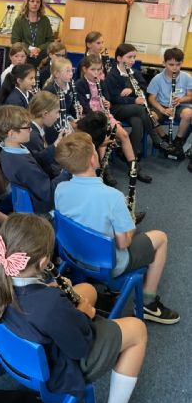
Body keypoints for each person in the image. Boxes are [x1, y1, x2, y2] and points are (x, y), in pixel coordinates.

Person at [0, 213, 147, 403]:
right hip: (56, 370)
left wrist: (44, 290)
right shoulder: (50, 306)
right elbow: (79, 349)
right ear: (43, 263)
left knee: (88, 290)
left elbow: (26, 299)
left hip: (14, 347)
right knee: (137, 329)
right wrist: (85, 314)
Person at [54, 132, 180, 325]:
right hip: (107, 265)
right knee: (160, 237)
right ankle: (148, 303)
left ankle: (114, 290)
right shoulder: (112, 197)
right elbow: (123, 243)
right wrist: (129, 223)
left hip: (73, 254)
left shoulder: (60, 189)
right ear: (92, 159)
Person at [76, 54, 150, 184]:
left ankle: (133, 167)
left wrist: (107, 104)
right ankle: (105, 170)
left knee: (124, 135)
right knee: (104, 139)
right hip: (90, 119)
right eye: (93, 70)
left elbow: (108, 100)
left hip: (105, 116)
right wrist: (99, 117)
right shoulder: (80, 84)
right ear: (84, 69)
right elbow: (84, 107)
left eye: (99, 69)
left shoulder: (102, 83)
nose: (96, 73)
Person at [0, 105, 70, 214]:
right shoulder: (22, 165)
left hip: (36, 193)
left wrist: (56, 145)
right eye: (27, 127)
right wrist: (68, 169)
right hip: (43, 207)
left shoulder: (8, 151)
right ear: (12, 134)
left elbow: (37, 160)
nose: (31, 129)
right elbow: (48, 193)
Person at [105, 43, 172, 159]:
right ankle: (156, 139)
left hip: (134, 110)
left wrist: (132, 89)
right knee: (141, 109)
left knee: (138, 121)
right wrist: (134, 100)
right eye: (129, 57)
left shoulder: (135, 73)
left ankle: (132, 153)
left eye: (134, 57)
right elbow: (113, 98)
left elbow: (144, 89)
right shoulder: (112, 75)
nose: (133, 60)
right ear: (119, 58)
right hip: (117, 108)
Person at [147, 47, 192, 159]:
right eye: (171, 64)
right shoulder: (157, 78)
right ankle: (164, 137)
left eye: (178, 64)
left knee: (188, 113)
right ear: (164, 63)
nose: (175, 68)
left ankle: (178, 140)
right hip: (161, 105)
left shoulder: (186, 77)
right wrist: (162, 109)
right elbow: (151, 98)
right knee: (151, 116)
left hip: (179, 105)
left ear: (181, 63)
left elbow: (190, 96)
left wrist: (180, 100)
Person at [28, 91, 66, 177]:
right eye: (57, 112)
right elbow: (40, 162)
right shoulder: (33, 136)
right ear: (45, 114)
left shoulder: (40, 128)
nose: (58, 116)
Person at [11, 0, 54, 67]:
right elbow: (15, 41)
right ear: (27, 3)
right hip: (24, 56)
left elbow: (50, 41)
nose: (35, 4)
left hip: (41, 57)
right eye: (32, 1)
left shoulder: (45, 20)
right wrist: (29, 50)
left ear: (40, 4)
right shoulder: (20, 20)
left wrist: (39, 49)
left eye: (38, 2)